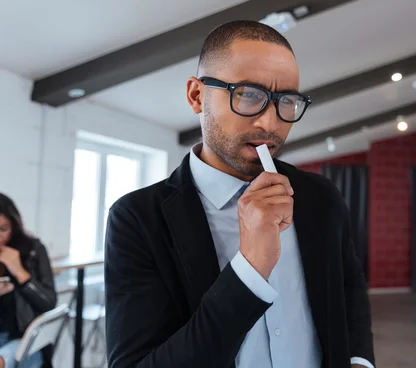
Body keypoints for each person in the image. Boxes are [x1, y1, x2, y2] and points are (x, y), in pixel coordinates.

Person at [104, 20, 375, 368]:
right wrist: (250, 268)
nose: (270, 123)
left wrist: (358, 361)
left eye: (287, 101)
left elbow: (349, 292)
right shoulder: (138, 218)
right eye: (248, 94)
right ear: (196, 95)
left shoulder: (319, 196)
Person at [0, 194, 57, 368]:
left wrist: (19, 272)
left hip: (24, 339)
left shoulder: (33, 251)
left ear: (14, 226)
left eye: (3, 228)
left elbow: (49, 302)